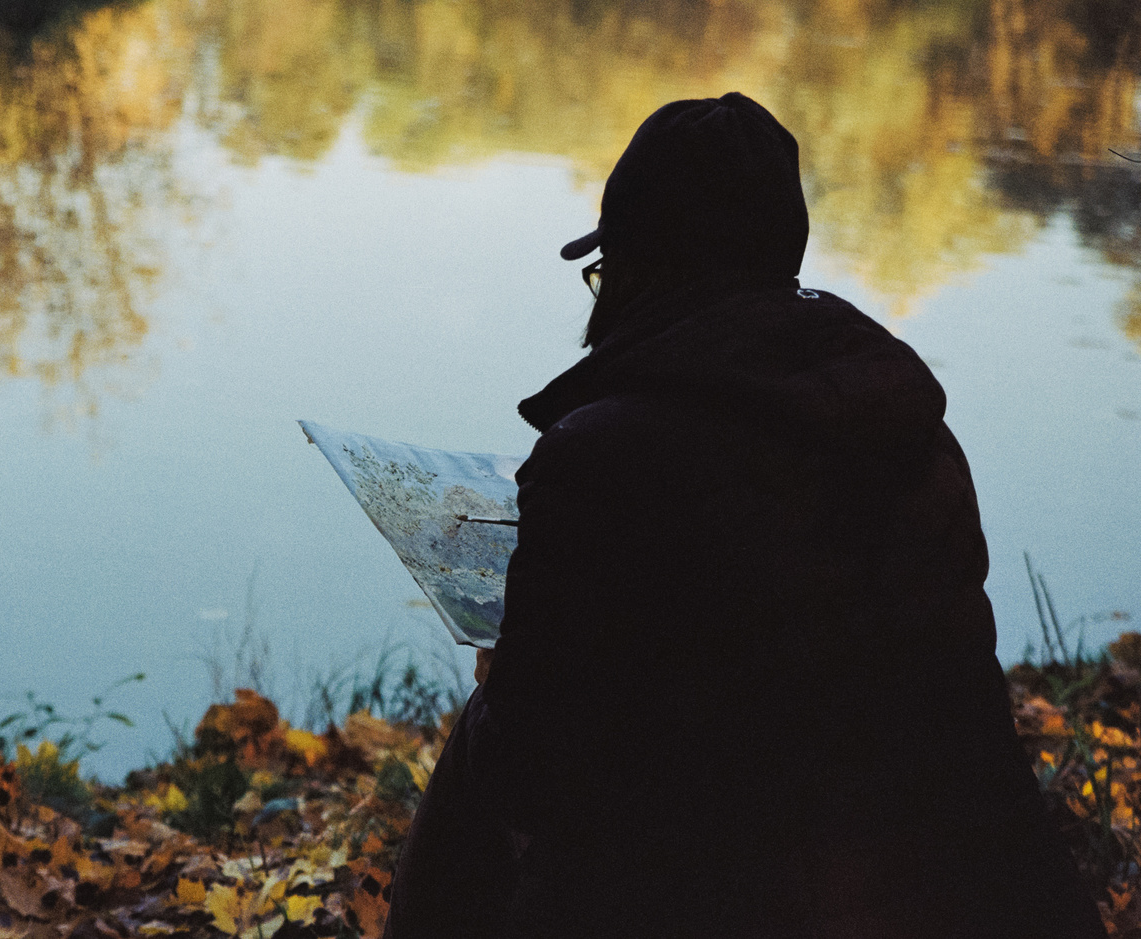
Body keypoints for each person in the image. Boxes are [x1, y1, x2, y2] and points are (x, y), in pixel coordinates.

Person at [382, 93, 1106, 939]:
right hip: (975, 889)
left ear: (642, 265)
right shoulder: (909, 426)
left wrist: (502, 682)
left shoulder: (599, 459)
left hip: (733, 896)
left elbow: (534, 774)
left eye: (607, 267)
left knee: (486, 741)